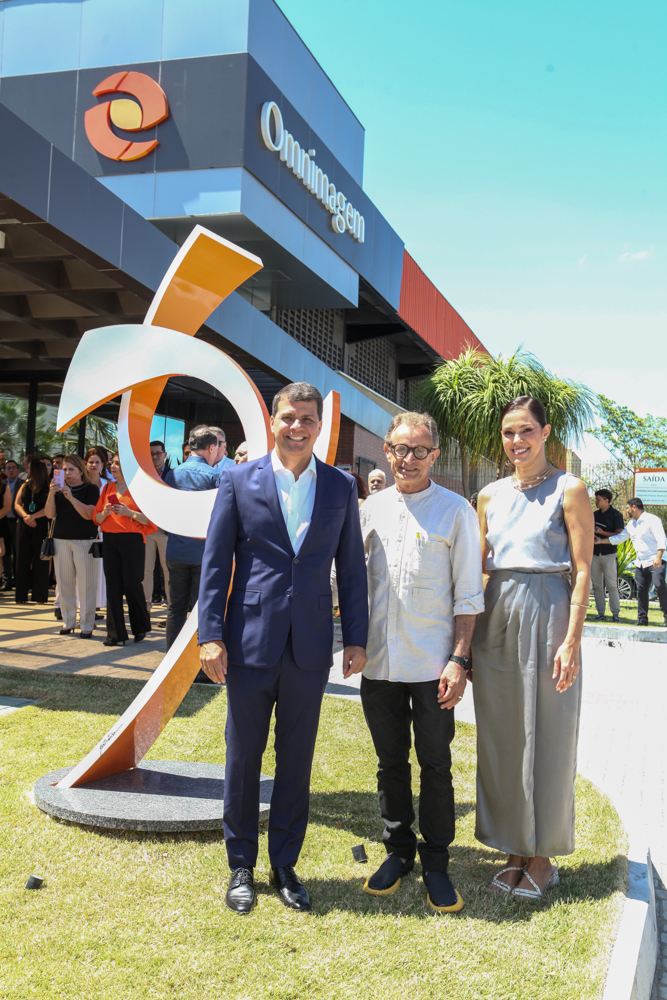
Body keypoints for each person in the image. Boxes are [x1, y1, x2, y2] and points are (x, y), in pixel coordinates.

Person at [198, 382, 368, 915]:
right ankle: (241, 865)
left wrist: (356, 636)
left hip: (311, 646)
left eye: (308, 419)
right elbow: (215, 562)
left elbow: (353, 568)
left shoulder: (340, 487)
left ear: (320, 425)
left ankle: (285, 864)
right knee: (243, 756)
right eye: (289, 417)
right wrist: (209, 635)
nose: (298, 427)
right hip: (248, 641)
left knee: (296, 759)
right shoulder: (237, 479)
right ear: (272, 421)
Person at [359, 412, 483, 912]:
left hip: (434, 666)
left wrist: (459, 659)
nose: (408, 459)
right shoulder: (368, 509)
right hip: (379, 664)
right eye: (399, 449)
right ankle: (398, 852)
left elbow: (468, 595)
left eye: (419, 451)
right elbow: (346, 580)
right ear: (386, 451)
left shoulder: (456, 512)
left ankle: (435, 861)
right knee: (389, 764)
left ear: (435, 455)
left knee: (435, 764)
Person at [472, 396, 593, 899]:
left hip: (549, 610)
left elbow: (583, 569)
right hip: (496, 614)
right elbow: (479, 568)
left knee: (549, 732)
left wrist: (572, 640)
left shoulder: (571, 488)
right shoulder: (489, 494)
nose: (516, 441)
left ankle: (542, 856)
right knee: (501, 736)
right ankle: (512, 847)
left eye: (526, 431)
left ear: (545, 433)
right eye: (508, 433)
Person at [164, 426, 220, 652]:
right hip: (203, 552)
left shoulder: (171, 474)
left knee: (175, 608)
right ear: (211, 447)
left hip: (175, 550)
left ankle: (171, 657)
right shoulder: (216, 475)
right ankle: (197, 664)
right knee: (201, 609)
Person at [94, 454, 155, 646]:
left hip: (133, 541)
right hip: (110, 540)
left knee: (131, 584)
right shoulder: (107, 488)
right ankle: (115, 635)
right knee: (112, 587)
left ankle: (140, 627)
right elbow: (96, 518)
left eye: (117, 464)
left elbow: (151, 520)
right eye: (111, 463)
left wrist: (130, 513)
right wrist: (104, 514)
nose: (112, 466)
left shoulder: (139, 490)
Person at [45, 455, 98, 638]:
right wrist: (52, 493)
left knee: (86, 585)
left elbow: (89, 514)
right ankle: (68, 621)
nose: (67, 473)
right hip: (61, 539)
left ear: (80, 470)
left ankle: (87, 624)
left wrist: (71, 497)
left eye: (71, 469)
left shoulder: (90, 489)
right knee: (64, 583)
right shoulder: (58, 490)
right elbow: (49, 514)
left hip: (85, 540)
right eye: (64, 469)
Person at [607, 498, 667, 627]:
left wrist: (658, 557)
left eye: (628, 508)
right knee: (641, 590)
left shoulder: (653, 520)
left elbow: (662, 539)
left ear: (634, 507)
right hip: (640, 563)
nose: (627, 510)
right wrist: (600, 541)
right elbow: (619, 538)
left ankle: (666, 617)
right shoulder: (631, 524)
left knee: (659, 586)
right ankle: (642, 619)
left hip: (656, 559)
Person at [14, 458, 51, 603]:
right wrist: (26, 516)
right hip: (24, 525)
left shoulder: (48, 488)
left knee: (40, 562)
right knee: (22, 560)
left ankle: (40, 596)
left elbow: (49, 508)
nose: (26, 471)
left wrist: (33, 516)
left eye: (29, 468)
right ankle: (20, 596)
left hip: (41, 526)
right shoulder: (25, 486)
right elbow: (17, 503)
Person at [142, 440, 171, 612]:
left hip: (165, 531)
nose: (155, 456)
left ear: (164, 455)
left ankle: (171, 608)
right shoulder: (144, 474)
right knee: (146, 570)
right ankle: (145, 606)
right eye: (151, 453)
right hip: (147, 527)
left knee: (168, 571)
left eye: (158, 453)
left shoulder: (173, 475)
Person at [84, 446, 111, 616]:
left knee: (100, 572)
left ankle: (94, 607)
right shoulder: (81, 483)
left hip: (103, 531)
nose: (94, 465)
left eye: (97, 462)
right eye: (90, 462)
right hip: (82, 531)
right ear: (85, 464)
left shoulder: (108, 485)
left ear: (102, 465)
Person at [591, 489, 624, 622]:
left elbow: (619, 534)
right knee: (597, 585)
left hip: (609, 554)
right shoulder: (593, 514)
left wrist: (602, 533)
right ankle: (600, 613)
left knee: (612, 585)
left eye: (598, 499)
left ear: (606, 500)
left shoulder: (616, 515)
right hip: (594, 554)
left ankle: (615, 613)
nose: (596, 502)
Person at [1, 460, 20, 590]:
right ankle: (6, 580)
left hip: (15, 522)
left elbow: (7, 506)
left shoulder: (21, 484)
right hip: (5, 522)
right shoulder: (4, 484)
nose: (11, 470)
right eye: (8, 468)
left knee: (14, 552)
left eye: (13, 467)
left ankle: (15, 580)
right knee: (5, 553)